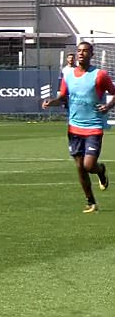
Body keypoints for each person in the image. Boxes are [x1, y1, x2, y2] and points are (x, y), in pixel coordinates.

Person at [42, 41, 114, 213]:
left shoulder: (100, 75)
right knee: (80, 167)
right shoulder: (68, 75)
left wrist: (108, 107)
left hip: (93, 127)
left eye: (85, 51)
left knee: (89, 166)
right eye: (79, 51)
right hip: (74, 128)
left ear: (92, 55)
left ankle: (101, 170)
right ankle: (91, 202)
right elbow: (63, 96)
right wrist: (52, 102)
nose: (81, 54)